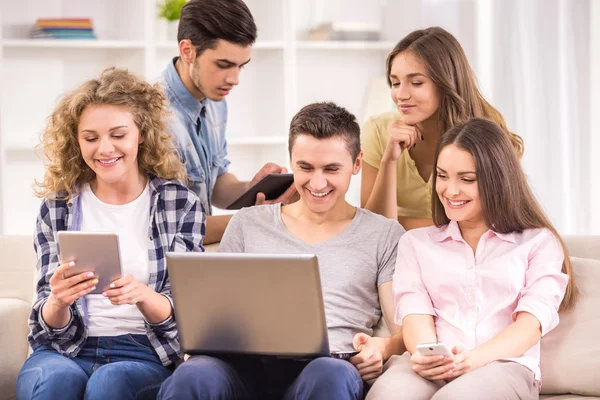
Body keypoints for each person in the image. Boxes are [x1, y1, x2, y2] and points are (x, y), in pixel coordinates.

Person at [158, 102, 406, 400]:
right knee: (193, 375)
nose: (317, 183)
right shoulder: (248, 223)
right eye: (305, 168)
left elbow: (403, 328)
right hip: (242, 367)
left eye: (331, 169)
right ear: (291, 160)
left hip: (329, 367)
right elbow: (215, 312)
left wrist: (384, 347)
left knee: (330, 375)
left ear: (356, 164)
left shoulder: (384, 234)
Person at [16, 67, 205, 400]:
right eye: (91, 138)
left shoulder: (178, 203)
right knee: (53, 382)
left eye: (118, 135)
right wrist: (59, 299)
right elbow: (46, 324)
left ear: (141, 134)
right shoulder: (58, 207)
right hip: (66, 349)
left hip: (145, 351)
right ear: (77, 140)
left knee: (109, 383)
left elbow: (188, 312)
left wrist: (143, 295)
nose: (104, 149)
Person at [366, 118, 577, 400]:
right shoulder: (415, 244)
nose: (451, 191)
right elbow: (415, 314)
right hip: (433, 365)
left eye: (467, 179)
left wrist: (473, 359)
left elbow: (530, 325)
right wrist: (426, 355)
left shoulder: (539, 243)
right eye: (442, 176)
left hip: (504, 367)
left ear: (497, 180)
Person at [361, 26, 524, 231]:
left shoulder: (487, 133)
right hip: (399, 253)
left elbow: (493, 221)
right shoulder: (378, 130)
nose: (401, 95)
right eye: (395, 83)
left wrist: (400, 223)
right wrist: (389, 161)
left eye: (416, 83)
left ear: (447, 82)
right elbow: (372, 230)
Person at [161, 0, 296, 245]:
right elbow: (175, 227)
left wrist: (253, 188)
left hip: (201, 256)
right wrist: (262, 219)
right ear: (187, 51)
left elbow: (214, 185)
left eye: (240, 67)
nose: (234, 79)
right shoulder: (154, 117)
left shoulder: (215, 101)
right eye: (223, 65)